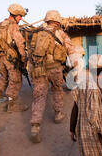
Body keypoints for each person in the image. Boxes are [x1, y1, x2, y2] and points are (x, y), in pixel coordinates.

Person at [29, 10, 77, 143]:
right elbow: (71, 51)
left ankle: (35, 126)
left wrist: (32, 69)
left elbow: (30, 53)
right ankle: (58, 114)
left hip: (39, 70)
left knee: (39, 96)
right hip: (55, 68)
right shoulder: (60, 33)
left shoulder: (36, 33)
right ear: (57, 20)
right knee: (57, 90)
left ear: (46, 19)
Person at [0, 3, 29, 113]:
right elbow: (20, 43)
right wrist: (23, 57)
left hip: (0, 57)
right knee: (16, 80)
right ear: (15, 15)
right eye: (20, 16)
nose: (21, 18)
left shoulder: (1, 24)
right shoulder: (13, 26)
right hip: (9, 59)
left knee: (4, 77)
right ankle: (12, 106)